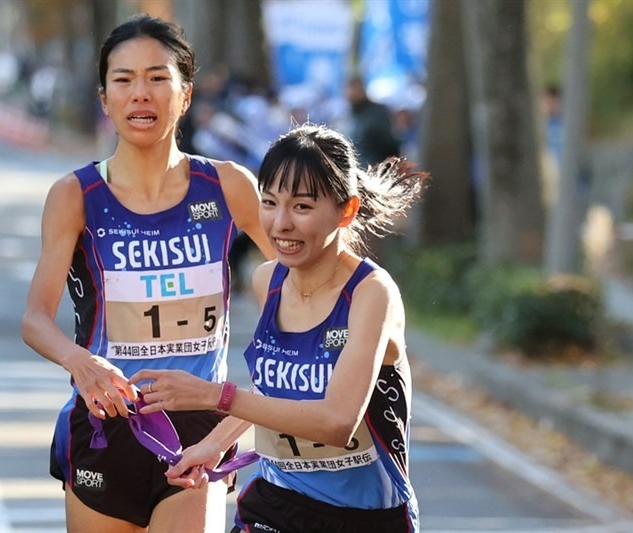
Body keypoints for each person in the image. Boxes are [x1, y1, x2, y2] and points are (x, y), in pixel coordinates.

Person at [21, 14, 273, 533]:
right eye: (125, 80)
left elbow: (302, 282)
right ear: (105, 98)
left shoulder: (227, 186)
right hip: (103, 428)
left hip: (199, 431)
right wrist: (81, 363)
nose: (142, 93)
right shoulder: (75, 196)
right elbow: (36, 319)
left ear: (185, 96)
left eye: (158, 78)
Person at [131, 123, 428, 533]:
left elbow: (337, 422)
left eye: (302, 207)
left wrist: (213, 395)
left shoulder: (371, 293)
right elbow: (273, 392)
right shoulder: (267, 280)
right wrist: (214, 446)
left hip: (365, 518)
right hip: (277, 503)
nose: (280, 224)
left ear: (347, 210)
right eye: (269, 203)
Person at [345, 76, 401, 168]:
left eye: (354, 89)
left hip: (374, 170)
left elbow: (389, 144)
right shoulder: (350, 115)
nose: (351, 93)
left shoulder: (377, 113)